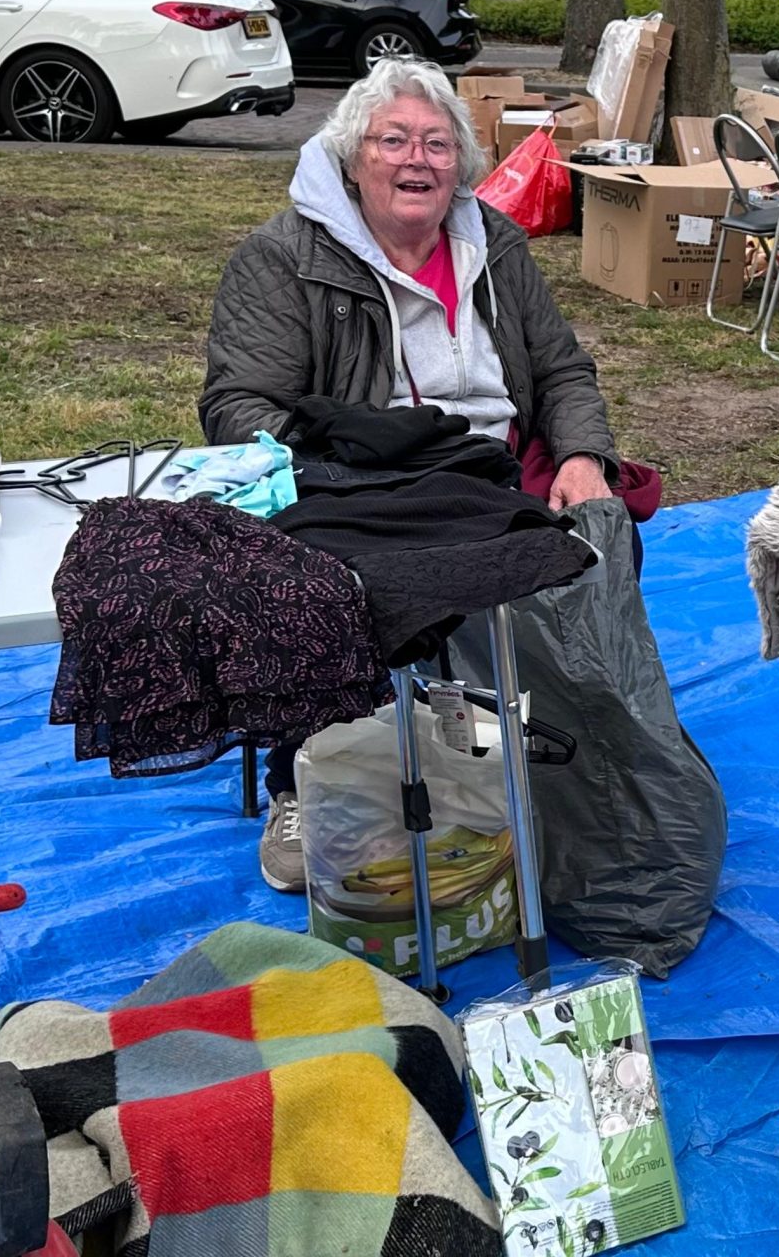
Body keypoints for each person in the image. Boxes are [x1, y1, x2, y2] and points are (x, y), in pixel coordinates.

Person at [202, 57, 619, 892]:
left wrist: (581, 456)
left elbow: (564, 370)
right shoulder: (284, 258)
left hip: (492, 469)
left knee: (599, 533)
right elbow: (239, 404)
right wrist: (349, 475)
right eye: (393, 140)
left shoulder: (493, 244)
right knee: (319, 577)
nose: (417, 161)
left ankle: (573, 751)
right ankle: (304, 779)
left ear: (461, 165)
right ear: (354, 158)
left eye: (436, 144)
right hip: (364, 476)